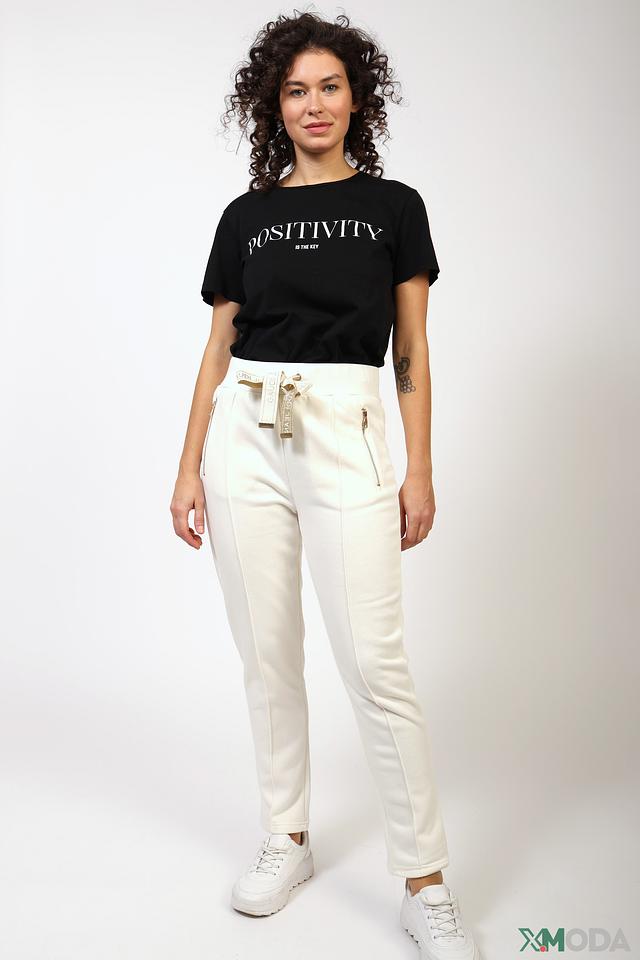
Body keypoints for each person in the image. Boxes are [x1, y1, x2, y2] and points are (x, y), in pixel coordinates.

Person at [170, 11, 482, 960]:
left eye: (330, 86)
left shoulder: (394, 207)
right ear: (275, 103)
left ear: (357, 98)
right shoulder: (245, 217)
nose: (314, 104)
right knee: (266, 653)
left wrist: (419, 468)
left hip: (346, 430)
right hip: (244, 434)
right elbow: (217, 347)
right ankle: (287, 836)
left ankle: (425, 883)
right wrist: (187, 464)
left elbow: (412, 350)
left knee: (376, 667)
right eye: (297, 89)